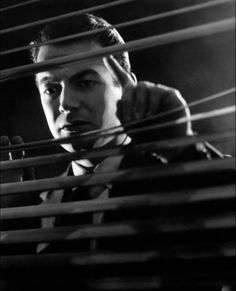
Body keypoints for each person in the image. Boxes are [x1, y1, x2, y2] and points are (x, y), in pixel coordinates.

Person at [1, 13, 228, 291]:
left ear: (124, 85)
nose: (65, 103)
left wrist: (183, 147)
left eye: (84, 83)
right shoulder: (29, 210)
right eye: (51, 88)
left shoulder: (179, 181)